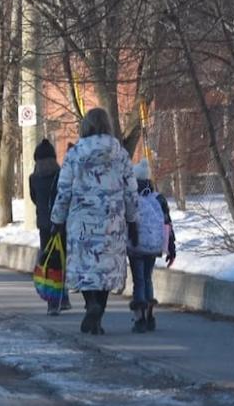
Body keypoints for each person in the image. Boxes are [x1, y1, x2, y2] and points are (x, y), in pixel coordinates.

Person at [50, 108, 138, 335]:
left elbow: (64, 190)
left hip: (82, 223)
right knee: (106, 268)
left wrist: (57, 220)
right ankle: (98, 313)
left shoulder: (75, 154)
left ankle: (91, 305)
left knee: (86, 267)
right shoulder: (120, 153)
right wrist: (132, 219)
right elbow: (131, 190)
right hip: (112, 223)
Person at [127, 159, 177, 333]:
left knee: (138, 281)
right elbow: (167, 225)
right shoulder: (158, 198)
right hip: (153, 246)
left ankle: (139, 319)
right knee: (147, 279)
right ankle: (150, 317)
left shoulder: (131, 196)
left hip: (135, 246)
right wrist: (171, 248)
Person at [29, 139, 71, 315]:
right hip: (61, 224)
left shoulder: (33, 178)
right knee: (61, 261)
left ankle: (53, 302)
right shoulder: (61, 175)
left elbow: (33, 198)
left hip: (44, 226)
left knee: (48, 262)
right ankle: (63, 298)